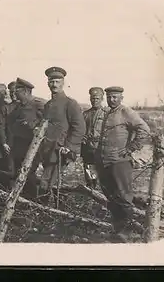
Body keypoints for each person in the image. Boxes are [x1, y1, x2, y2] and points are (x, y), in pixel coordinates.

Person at [96, 86, 152, 242]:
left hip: (120, 162)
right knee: (111, 195)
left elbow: (144, 129)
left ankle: (127, 231)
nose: (111, 100)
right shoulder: (107, 113)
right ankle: (117, 229)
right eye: (109, 97)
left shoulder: (126, 112)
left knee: (123, 195)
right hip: (105, 161)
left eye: (115, 97)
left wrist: (131, 148)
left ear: (121, 98)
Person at [38, 67, 86, 202]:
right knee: (48, 181)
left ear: (63, 83)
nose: (54, 85)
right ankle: (48, 209)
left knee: (47, 182)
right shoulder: (48, 105)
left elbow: (79, 127)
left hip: (60, 150)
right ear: (48, 83)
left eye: (57, 82)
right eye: (51, 81)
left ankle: (47, 211)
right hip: (47, 149)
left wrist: (69, 146)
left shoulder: (70, 104)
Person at [6, 78, 44, 198]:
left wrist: (33, 126)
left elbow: (46, 122)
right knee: (19, 173)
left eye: (17, 90)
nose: (14, 93)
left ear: (25, 92)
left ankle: (32, 200)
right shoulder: (18, 107)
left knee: (28, 173)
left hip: (31, 146)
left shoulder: (38, 104)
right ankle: (22, 199)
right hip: (18, 146)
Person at [81, 87, 109, 189]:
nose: (94, 101)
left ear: (102, 99)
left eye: (97, 98)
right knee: (89, 169)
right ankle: (91, 189)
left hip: (100, 147)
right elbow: (81, 129)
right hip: (88, 147)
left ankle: (103, 192)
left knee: (102, 171)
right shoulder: (85, 114)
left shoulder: (106, 113)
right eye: (92, 98)